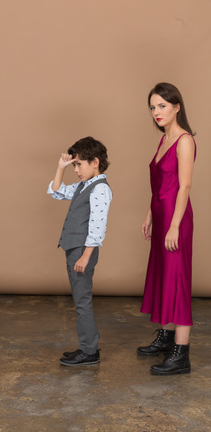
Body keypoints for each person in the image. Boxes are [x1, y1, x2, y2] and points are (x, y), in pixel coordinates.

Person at [138, 82, 196, 376]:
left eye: (162, 106)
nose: (156, 112)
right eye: (152, 107)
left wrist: (174, 225)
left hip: (176, 220)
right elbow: (159, 185)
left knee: (178, 280)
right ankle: (166, 336)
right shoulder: (163, 139)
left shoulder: (184, 140)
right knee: (163, 276)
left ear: (177, 107)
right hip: (161, 218)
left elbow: (184, 186)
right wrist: (150, 214)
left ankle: (181, 354)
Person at [47, 137, 112, 366]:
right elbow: (56, 192)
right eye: (74, 165)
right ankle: (87, 347)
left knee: (82, 301)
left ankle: (89, 351)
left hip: (82, 251)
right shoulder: (84, 186)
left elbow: (97, 225)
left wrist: (85, 256)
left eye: (79, 164)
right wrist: (60, 167)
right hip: (74, 249)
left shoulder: (100, 189)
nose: (76, 170)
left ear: (95, 162)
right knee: (80, 300)